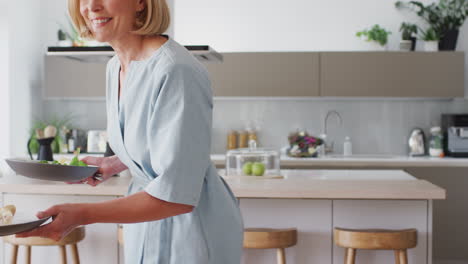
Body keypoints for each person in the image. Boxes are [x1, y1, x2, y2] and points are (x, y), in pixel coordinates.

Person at [17, 0, 244, 263]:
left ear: (140, 3)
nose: (91, 6)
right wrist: (114, 163)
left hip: (190, 230)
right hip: (143, 222)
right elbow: (153, 144)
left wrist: (82, 214)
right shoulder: (116, 66)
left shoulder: (176, 71)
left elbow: (178, 196)